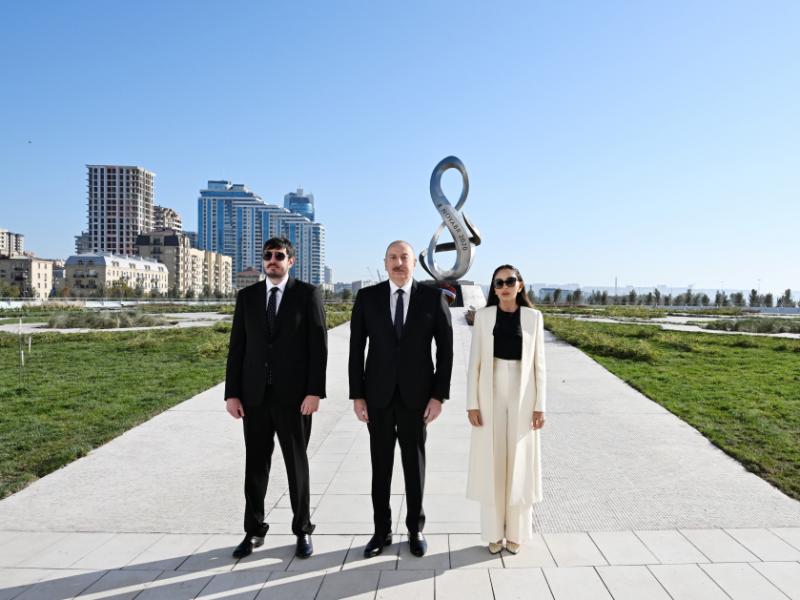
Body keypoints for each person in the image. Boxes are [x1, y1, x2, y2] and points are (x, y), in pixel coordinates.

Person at [349, 240, 453, 558]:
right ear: (384, 263)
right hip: (377, 398)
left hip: (417, 399)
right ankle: (381, 532)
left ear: (413, 262)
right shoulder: (367, 298)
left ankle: (415, 529)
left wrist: (438, 396)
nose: (398, 263)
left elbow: (446, 351)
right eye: (392, 258)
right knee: (380, 467)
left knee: (413, 465)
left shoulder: (434, 298)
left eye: (404, 257)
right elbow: (356, 350)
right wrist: (357, 395)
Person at [224, 236, 328, 559]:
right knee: (255, 466)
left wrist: (314, 392)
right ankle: (253, 531)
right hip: (254, 398)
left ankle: (303, 531)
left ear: (290, 260)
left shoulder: (308, 295)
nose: (272, 260)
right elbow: (237, 348)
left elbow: (318, 348)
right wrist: (232, 394)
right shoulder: (247, 297)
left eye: (279, 255)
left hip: (294, 399)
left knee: (297, 466)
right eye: (268, 255)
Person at [466, 264, 546, 554]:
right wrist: (472, 403)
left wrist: (540, 406)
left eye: (509, 281)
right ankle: (492, 533)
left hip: (524, 392)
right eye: (498, 283)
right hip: (491, 389)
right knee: (493, 460)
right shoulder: (484, 317)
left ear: (520, 285)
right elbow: (473, 364)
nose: (504, 287)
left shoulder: (534, 317)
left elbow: (540, 365)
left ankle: (517, 533)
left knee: (520, 462)